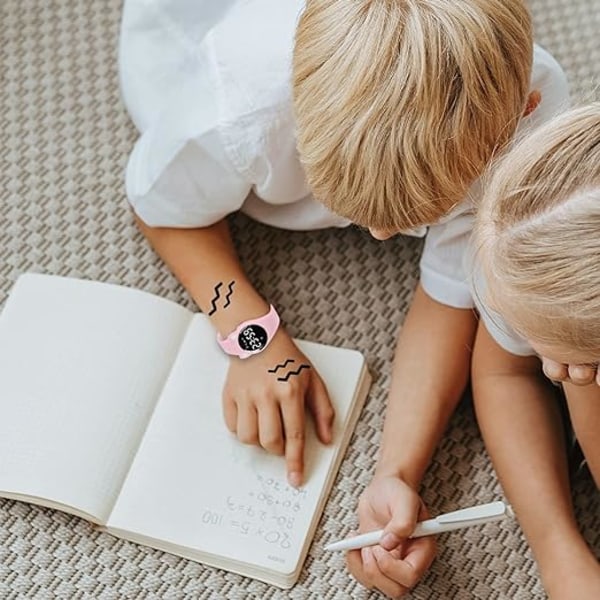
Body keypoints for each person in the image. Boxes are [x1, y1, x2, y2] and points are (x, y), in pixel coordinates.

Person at [119, 0, 568, 595]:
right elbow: (160, 208)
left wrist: (396, 471)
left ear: (521, 115)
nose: (381, 236)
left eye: (411, 218)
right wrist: (252, 338)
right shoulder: (235, 113)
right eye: (358, 211)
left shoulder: (526, 111)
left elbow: (450, 296)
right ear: (297, 118)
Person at [472, 103, 600, 599]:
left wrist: (578, 381)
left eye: (569, 364)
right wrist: (557, 549)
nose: (550, 370)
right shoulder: (522, 239)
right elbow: (501, 374)